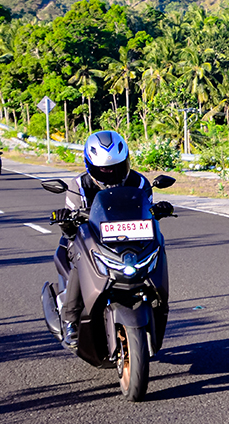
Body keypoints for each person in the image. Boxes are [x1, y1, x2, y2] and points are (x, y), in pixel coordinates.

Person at [50, 130, 174, 348]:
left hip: (132, 240)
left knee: (159, 245)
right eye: (103, 169)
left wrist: (159, 210)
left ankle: (159, 303)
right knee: (80, 257)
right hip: (91, 239)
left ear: (125, 161)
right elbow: (69, 225)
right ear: (90, 165)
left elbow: (147, 212)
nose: (110, 173)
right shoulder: (78, 185)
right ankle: (70, 319)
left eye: (116, 167)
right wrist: (65, 219)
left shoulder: (139, 182)